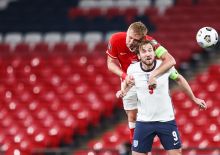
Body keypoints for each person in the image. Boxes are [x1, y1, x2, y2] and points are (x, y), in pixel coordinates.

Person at [116, 41, 207, 155]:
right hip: (144, 121)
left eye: (150, 50)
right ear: (138, 56)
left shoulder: (164, 66)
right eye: (144, 51)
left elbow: (179, 79)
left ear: (154, 54)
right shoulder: (133, 69)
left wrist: (194, 98)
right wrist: (123, 91)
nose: (148, 54)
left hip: (166, 120)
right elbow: (127, 82)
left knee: (176, 153)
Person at [106, 21, 176, 143]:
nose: (131, 42)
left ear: (143, 39)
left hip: (148, 79)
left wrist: (154, 74)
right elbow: (110, 64)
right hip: (129, 80)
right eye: (129, 37)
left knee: (152, 116)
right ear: (127, 32)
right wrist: (124, 75)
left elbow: (170, 60)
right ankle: (136, 145)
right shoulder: (115, 39)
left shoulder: (151, 43)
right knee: (132, 116)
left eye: (136, 40)